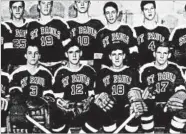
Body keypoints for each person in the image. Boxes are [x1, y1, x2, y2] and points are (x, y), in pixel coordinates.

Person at [80, 43, 147, 133]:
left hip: (127, 110)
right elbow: (98, 94)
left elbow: (136, 90)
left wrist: (136, 99)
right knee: (98, 109)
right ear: (110, 56)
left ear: (124, 56)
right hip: (109, 111)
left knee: (136, 109)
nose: (117, 57)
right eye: (114, 54)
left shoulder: (132, 72)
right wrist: (99, 96)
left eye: (119, 54)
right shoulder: (103, 72)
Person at [139, 41, 186, 133]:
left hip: (169, 106)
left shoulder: (175, 68)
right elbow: (140, 88)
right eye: (159, 53)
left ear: (168, 55)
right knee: (144, 104)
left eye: (165, 53)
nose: (161, 56)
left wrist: (178, 96)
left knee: (183, 108)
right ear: (154, 54)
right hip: (152, 107)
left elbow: (181, 88)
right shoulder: (145, 69)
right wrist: (143, 94)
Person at [8, 44, 54, 133]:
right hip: (23, 110)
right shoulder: (17, 73)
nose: (33, 56)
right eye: (30, 53)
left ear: (39, 56)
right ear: (25, 55)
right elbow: (15, 93)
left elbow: (49, 95)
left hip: (41, 110)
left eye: (36, 53)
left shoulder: (46, 73)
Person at [53, 39, 97, 132]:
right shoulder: (60, 72)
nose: (74, 55)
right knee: (55, 116)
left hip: (85, 111)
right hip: (67, 112)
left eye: (77, 52)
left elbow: (92, 94)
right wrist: (63, 104)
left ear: (81, 53)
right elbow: (58, 98)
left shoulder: (89, 70)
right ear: (66, 54)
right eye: (71, 52)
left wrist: (88, 102)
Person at [27, 0, 71, 74]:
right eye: (43, 3)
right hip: (40, 65)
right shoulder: (31, 25)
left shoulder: (60, 23)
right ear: (38, 6)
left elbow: (69, 45)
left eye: (49, 4)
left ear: (51, 6)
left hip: (59, 64)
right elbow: (29, 47)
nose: (46, 6)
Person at [96, 1, 138, 69]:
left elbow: (135, 53)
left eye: (113, 12)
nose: (110, 15)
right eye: (107, 13)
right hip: (109, 71)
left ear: (117, 13)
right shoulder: (101, 33)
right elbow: (98, 58)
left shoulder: (127, 29)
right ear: (104, 15)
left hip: (126, 69)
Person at [67, 0, 104, 68]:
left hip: (92, 66)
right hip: (73, 66)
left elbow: (101, 48)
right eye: (79, 2)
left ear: (89, 4)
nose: (82, 4)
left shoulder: (97, 24)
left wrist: (95, 63)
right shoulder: (68, 24)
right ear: (75, 5)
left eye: (85, 1)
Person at [134, 1, 170, 67]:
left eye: (151, 8)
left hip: (159, 69)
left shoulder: (164, 30)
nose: (149, 11)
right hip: (141, 68)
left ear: (155, 10)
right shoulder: (136, 30)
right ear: (142, 12)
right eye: (146, 9)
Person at [5, 1, 31, 73]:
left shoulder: (31, 25)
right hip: (11, 67)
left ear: (23, 9)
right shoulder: (4, 26)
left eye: (20, 7)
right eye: (14, 7)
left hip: (29, 66)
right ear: (10, 10)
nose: (17, 10)